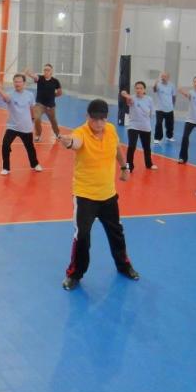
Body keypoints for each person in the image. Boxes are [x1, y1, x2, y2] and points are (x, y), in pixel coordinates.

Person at [56, 99, 139, 290]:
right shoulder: (81, 132)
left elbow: (116, 148)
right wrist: (68, 142)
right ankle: (75, 274)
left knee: (116, 232)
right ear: (88, 117)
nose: (99, 123)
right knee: (82, 236)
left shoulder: (110, 129)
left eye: (102, 119)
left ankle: (124, 266)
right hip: (85, 195)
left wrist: (124, 167)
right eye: (95, 119)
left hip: (108, 194)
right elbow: (75, 143)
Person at [0, 74, 41, 175]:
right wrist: (0, 90)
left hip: (26, 126)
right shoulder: (10, 94)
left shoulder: (29, 95)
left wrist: (33, 119)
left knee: (30, 147)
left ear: (24, 83)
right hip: (12, 126)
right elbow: (6, 98)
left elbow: (32, 108)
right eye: (15, 82)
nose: (17, 84)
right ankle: (6, 168)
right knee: (5, 145)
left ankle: (35, 164)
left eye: (19, 82)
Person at [120, 81, 157, 172]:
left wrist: (146, 118)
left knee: (147, 147)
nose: (139, 90)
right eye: (137, 88)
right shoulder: (131, 98)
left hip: (145, 127)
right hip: (133, 126)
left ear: (144, 90)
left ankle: (149, 164)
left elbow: (152, 112)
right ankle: (129, 166)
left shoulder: (149, 99)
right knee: (131, 146)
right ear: (135, 89)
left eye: (141, 88)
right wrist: (126, 95)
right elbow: (125, 95)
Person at [25, 64, 62, 142]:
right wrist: (29, 73)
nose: (46, 71)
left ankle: (57, 134)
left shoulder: (55, 81)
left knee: (53, 121)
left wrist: (53, 95)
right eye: (45, 70)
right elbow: (35, 77)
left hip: (50, 106)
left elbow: (59, 92)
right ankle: (38, 135)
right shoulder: (40, 78)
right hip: (40, 104)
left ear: (51, 71)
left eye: (48, 70)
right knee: (37, 118)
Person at [152, 71, 176, 144]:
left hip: (169, 108)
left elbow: (174, 96)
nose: (163, 78)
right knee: (159, 123)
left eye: (164, 76)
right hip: (159, 108)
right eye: (162, 76)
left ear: (168, 78)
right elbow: (154, 90)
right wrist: (155, 84)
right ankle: (157, 138)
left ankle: (169, 136)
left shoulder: (172, 85)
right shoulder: (158, 85)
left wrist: (173, 105)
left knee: (170, 124)